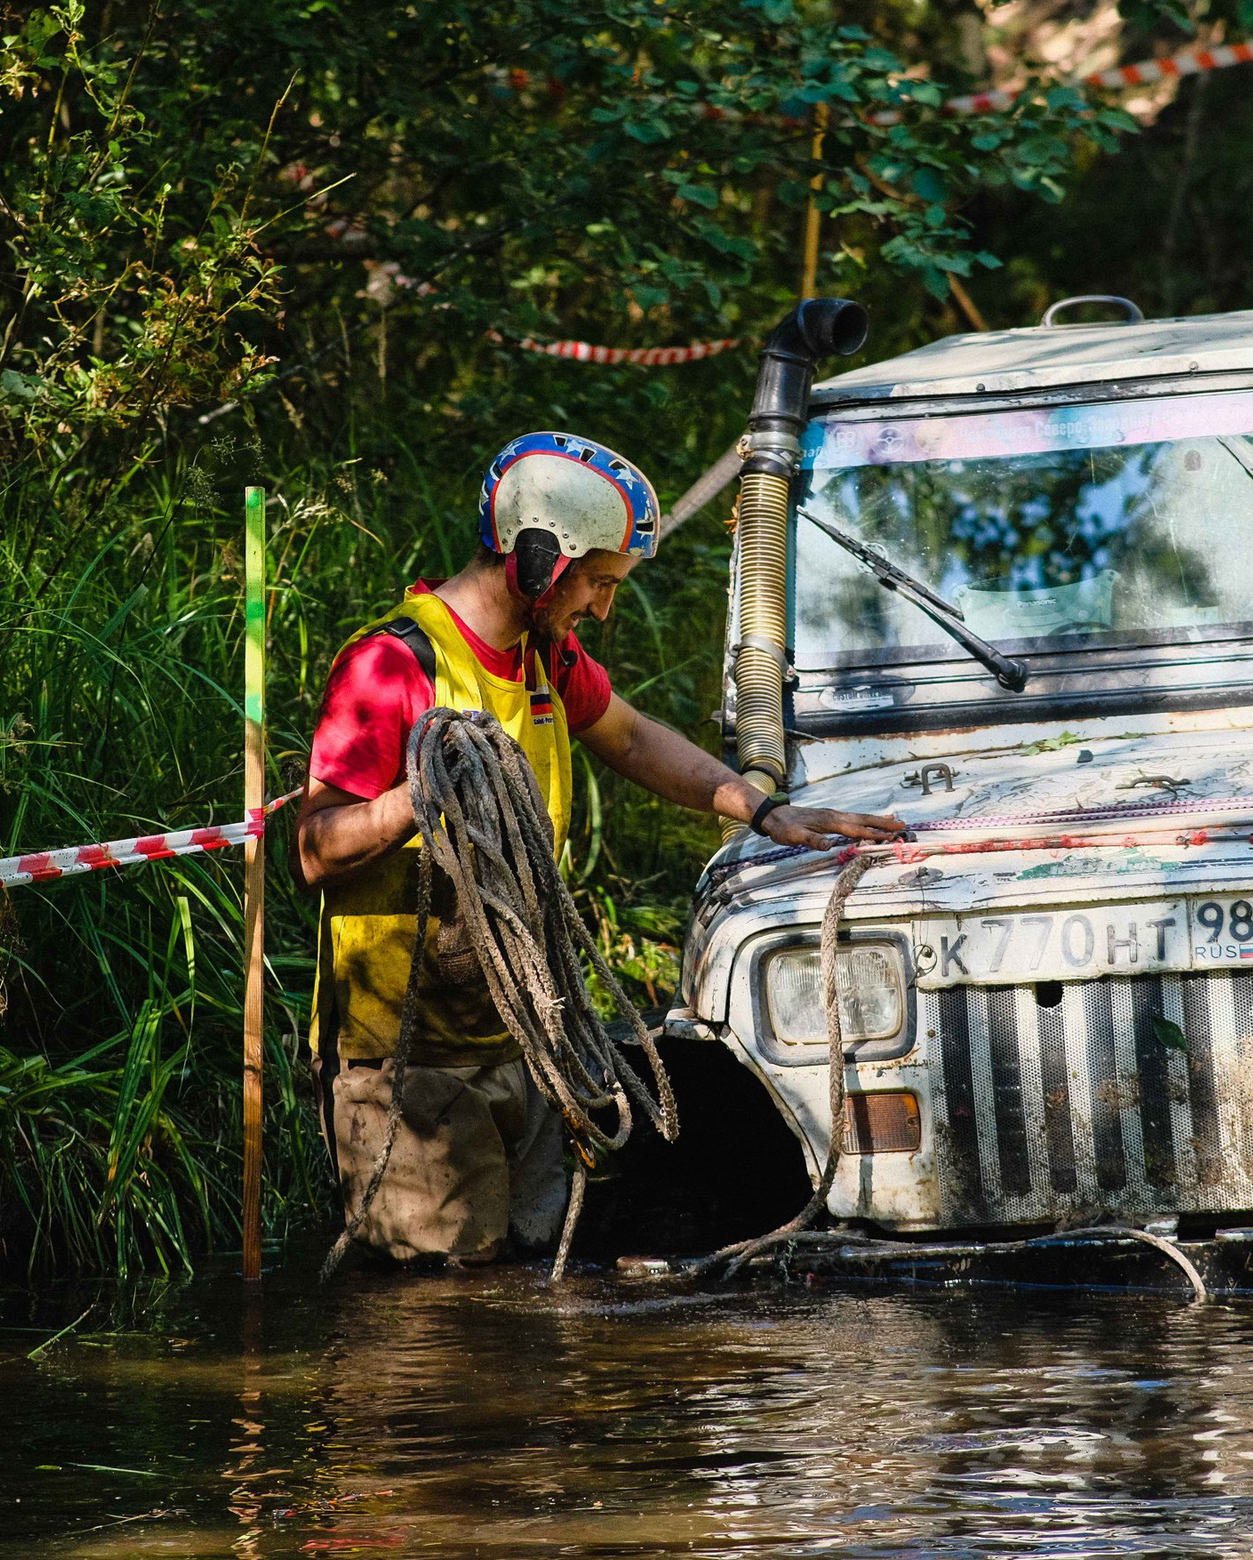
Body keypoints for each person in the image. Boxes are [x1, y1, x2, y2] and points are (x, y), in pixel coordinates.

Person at [295, 431, 904, 1266]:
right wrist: (420, 795)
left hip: (521, 1040)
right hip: (411, 1066)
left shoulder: (544, 655)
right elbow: (315, 851)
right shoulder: (392, 668)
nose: (605, 608)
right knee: (439, 1320)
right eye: (600, 582)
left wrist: (766, 813)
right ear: (539, 561)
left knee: (535, 1279)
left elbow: (634, 738)